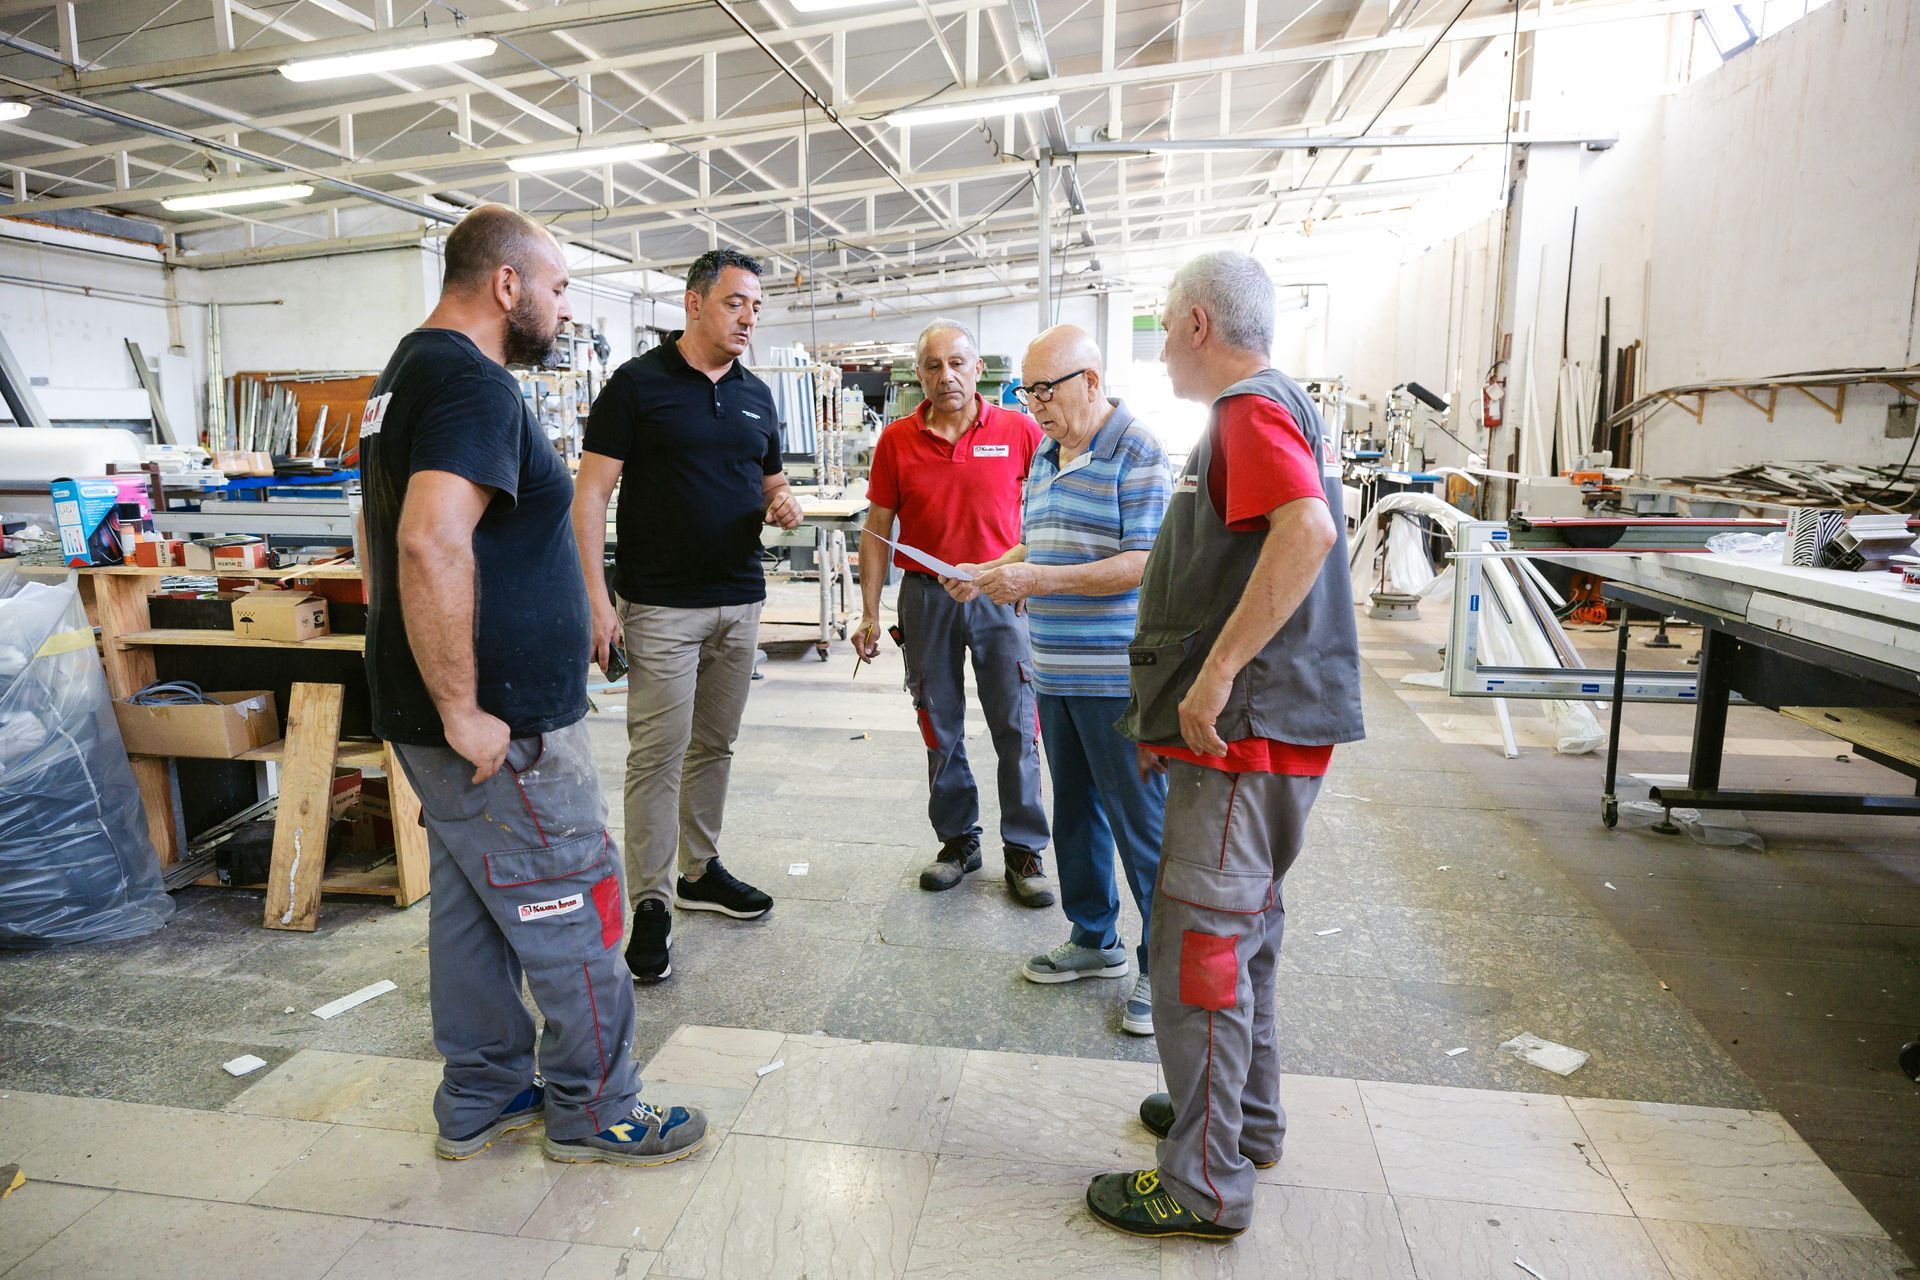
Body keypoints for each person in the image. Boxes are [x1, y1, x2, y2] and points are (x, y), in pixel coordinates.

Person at [361, 204, 705, 1168]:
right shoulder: (470, 382)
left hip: (438, 710)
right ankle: (598, 1106)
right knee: (574, 900)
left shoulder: (403, 373)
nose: (564, 308)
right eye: (557, 288)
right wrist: (463, 709)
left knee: (472, 904)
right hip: (498, 724)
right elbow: (426, 541)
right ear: (506, 284)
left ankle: (481, 1091)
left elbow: (379, 536)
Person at [1084, 250, 1365, 1240]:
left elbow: (1305, 531)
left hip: (1244, 737)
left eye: (1166, 325)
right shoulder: (1272, 408)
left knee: (1200, 950)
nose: (1162, 347)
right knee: (1243, 935)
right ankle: (1243, 1123)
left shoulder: (1247, 410)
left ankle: (1205, 1181)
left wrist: (1214, 679)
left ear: (1200, 323)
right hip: (1260, 735)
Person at [572, 248, 801, 986]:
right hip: (662, 606)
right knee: (656, 755)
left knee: (714, 746)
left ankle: (698, 871)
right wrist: (596, 600)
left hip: (740, 599)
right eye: (736, 303)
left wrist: (783, 502)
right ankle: (650, 900)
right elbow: (590, 496)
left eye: (756, 307)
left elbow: (770, 481)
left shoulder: (756, 395)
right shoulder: (636, 385)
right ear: (694, 304)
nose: (749, 318)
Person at [948, 325, 1170, 1036]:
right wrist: (991, 570)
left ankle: (1164, 969)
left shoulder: (1138, 451)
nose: (1035, 404)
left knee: (1143, 827)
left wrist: (1037, 579)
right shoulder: (1046, 454)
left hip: (1116, 678)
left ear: (1091, 381)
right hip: (1053, 669)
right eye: (1026, 391)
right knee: (1074, 814)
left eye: (1047, 389)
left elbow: (1144, 562)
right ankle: (1094, 938)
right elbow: (1040, 544)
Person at [852, 320, 1053, 906]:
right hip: (927, 597)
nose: (947, 376)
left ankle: (1024, 849)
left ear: (978, 369)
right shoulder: (897, 440)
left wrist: (1030, 573)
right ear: (919, 375)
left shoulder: (1018, 430)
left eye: (958, 363)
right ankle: (959, 842)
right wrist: (869, 612)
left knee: (1017, 724)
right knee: (937, 722)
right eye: (934, 366)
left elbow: (1049, 508)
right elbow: (877, 530)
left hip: (1000, 593)